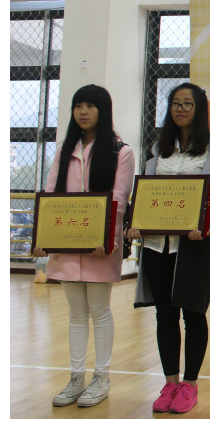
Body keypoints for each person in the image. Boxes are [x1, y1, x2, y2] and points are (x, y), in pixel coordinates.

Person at [128, 83, 210, 415]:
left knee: (194, 314)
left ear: (199, 109)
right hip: (157, 245)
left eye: (188, 103)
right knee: (165, 314)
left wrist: (208, 226)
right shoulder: (157, 148)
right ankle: (170, 382)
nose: (181, 109)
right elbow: (143, 192)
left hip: (194, 245)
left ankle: (190, 384)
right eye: (175, 103)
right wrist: (135, 221)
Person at [33, 84, 135, 409]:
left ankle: (101, 378)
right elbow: (51, 194)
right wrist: (43, 239)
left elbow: (118, 201)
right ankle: (76, 377)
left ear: (103, 110)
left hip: (100, 248)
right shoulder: (65, 149)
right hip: (66, 245)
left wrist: (107, 240)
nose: (83, 111)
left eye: (90, 105)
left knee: (100, 311)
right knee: (76, 314)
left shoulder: (121, 151)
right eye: (78, 105)